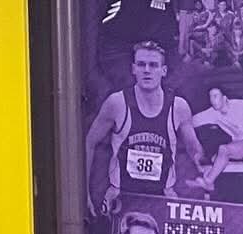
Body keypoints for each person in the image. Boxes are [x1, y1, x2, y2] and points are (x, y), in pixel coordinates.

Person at [85, 40, 204, 213]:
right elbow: (88, 142)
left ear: (163, 71)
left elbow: (193, 147)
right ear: (134, 69)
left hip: (162, 197)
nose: (147, 70)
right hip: (122, 197)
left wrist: (201, 162)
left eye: (153, 65)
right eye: (141, 64)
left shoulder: (178, 107)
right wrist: (83, 194)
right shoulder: (117, 103)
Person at [192, 84, 243, 190]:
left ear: (224, 98)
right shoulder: (212, 113)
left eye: (215, 96)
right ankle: (212, 180)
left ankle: (208, 181)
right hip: (238, 145)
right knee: (215, 159)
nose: (212, 100)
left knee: (223, 149)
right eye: (210, 97)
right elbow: (192, 121)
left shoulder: (239, 105)